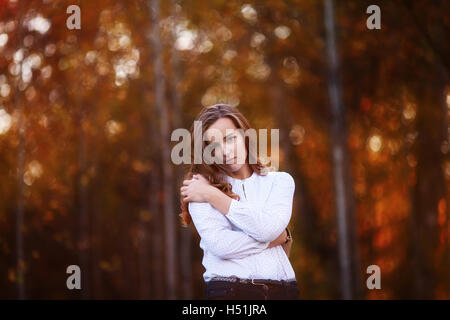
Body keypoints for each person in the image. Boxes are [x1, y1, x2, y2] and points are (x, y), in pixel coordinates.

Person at [179, 103, 300, 300]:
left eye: (229, 139)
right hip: (230, 293)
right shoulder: (198, 190)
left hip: (284, 291)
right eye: (214, 145)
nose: (224, 151)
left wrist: (214, 196)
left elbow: (266, 230)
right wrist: (277, 239)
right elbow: (222, 246)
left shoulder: (281, 181)